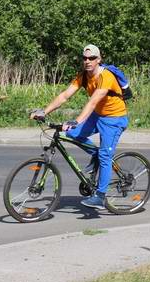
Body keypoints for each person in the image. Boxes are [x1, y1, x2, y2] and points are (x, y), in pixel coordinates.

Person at [30, 44, 129, 210]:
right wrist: (44, 111)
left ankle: (100, 196)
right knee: (71, 134)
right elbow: (64, 96)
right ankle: (96, 155)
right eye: (85, 58)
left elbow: (93, 101)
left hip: (114, 119)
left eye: (91, 58)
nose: (87, 61)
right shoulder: (83, 76)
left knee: (105, 156)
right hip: (97, 115)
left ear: (99, 60)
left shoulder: (106, 76)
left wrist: (76, 120)